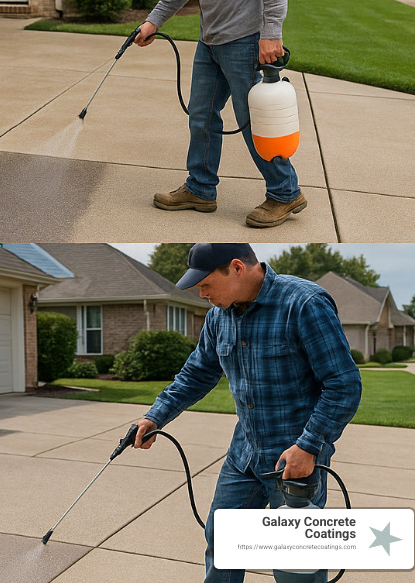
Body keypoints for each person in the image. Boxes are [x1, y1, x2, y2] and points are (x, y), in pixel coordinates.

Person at [132, 243, 361, 583]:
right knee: (222, 541)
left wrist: (310, 446)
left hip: (294, 462)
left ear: (237, 268)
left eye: (206, 284)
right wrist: (155, 416)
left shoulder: (304, 304)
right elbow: (197, 374)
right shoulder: (218, 316)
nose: (202, 293)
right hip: (244, 457)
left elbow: (344, 385)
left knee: (295, 569)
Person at [136, 0, 305, 228]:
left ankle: (285, 192)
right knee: (201, 114)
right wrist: (152, 22)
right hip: (210, 42)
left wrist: (271, 33)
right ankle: (200, 188)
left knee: (253, 119)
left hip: (245, 40)